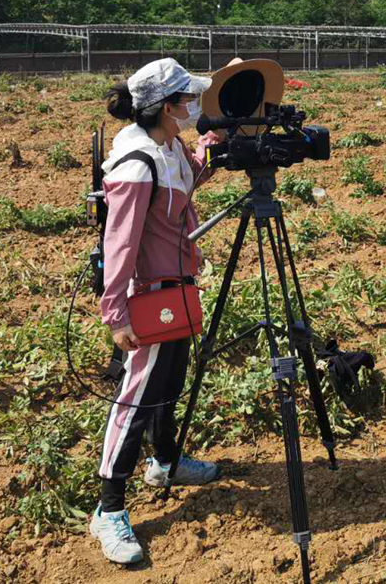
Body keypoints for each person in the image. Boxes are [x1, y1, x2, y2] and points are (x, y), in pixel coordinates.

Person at [90, 57, 225, 565]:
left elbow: (187, 182)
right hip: (148, 293)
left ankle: (164, 462)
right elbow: (120, 241)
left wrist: (210, 151)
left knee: (168, 382)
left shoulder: (168, 147)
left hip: (177, 284)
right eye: (187, 100)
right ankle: (108, 510)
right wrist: (116, 312)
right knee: (136, 398)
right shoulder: (136, 162)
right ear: (166, 107)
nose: (193, 107)